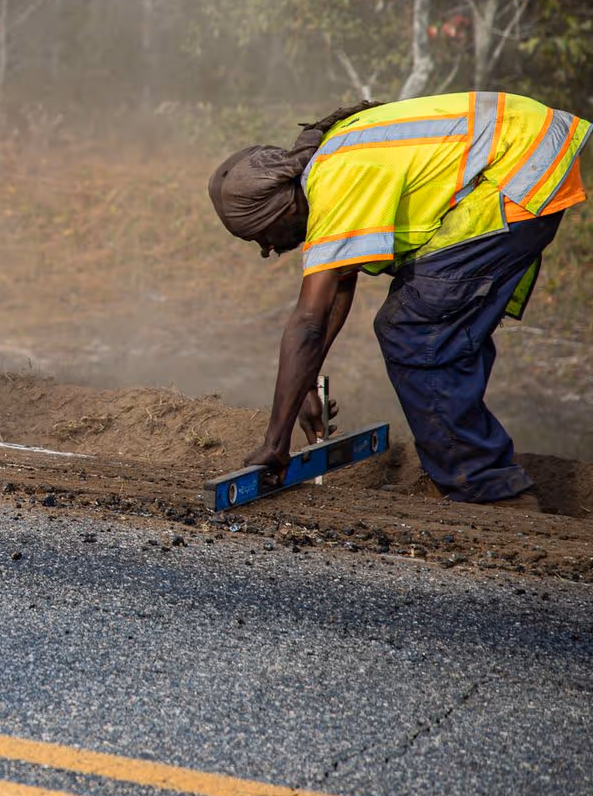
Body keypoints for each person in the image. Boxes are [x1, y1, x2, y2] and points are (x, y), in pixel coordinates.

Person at [209, 92, 589, 509]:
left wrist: (275, 442)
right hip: (529, 149)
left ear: (281, 209)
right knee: (437, 317)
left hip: (517, 167)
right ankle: (463, 468)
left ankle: (486, 488)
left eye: (259, 236)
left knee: (414, 328)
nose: (266, 249)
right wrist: (302, 389)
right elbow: (336, 288)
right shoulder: (331, 162)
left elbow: (308, 323)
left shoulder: (335, 181)